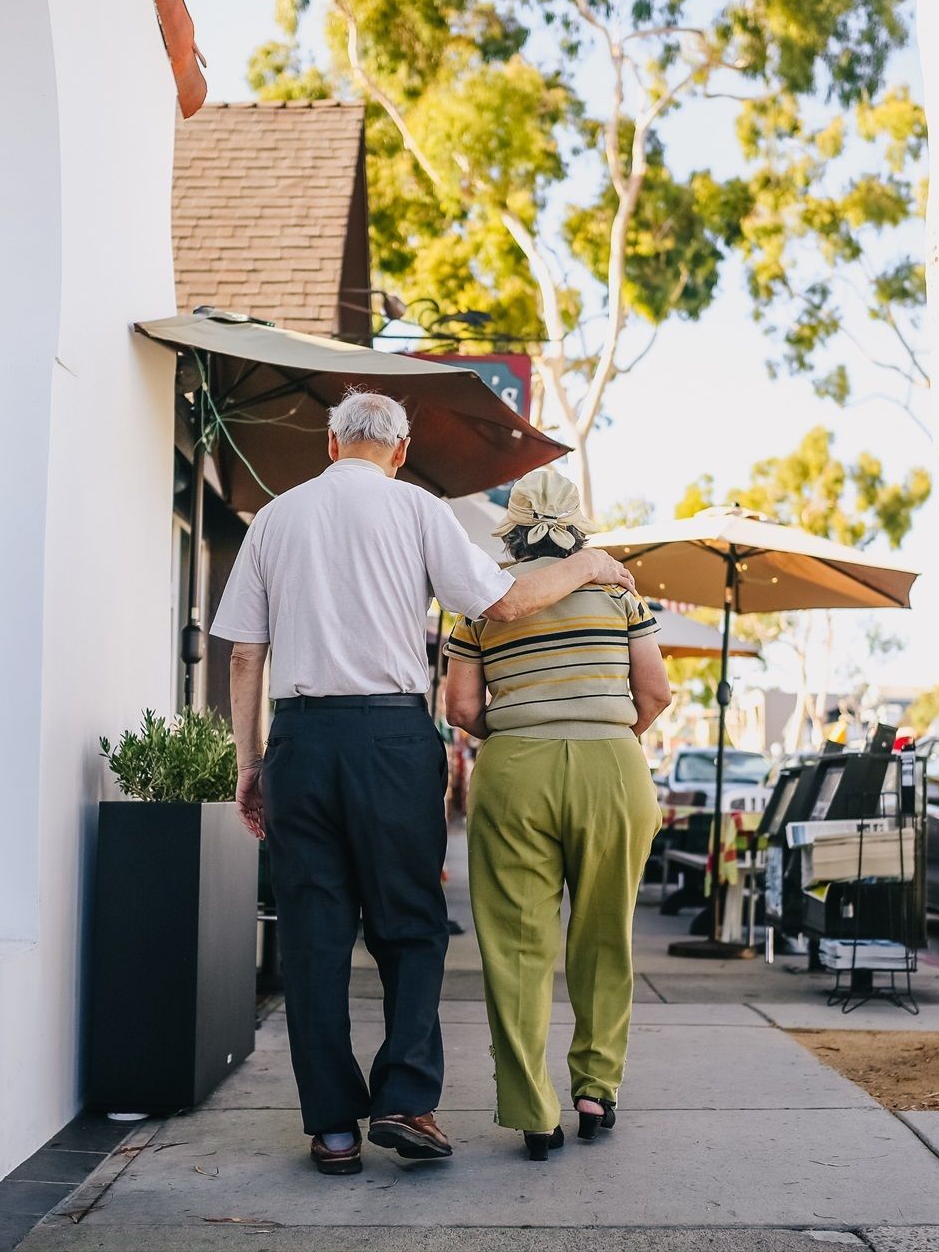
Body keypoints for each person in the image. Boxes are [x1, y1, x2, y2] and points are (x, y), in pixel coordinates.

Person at [211, 390, 638, 1178]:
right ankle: (406, 1102)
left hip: (300, 738)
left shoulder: (275, 518)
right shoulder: (420, 511)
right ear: (399, 451)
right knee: (409, 924)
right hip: (390, 738)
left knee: (313, 937)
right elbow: (504, 604)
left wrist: (251, 763)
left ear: (331, 444)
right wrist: (583, 564)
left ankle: (334, 1130)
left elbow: (243, 654)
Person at [442, 469, 672, 1161]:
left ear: (511, 527)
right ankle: (597, 1088)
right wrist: (602, 733)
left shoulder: (484, 605)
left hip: (515, 770)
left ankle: (533, 1110)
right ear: (578, 526)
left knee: (516, 947)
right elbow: (655, 693)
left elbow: (459, 708)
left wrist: (521, 732)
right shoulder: (617, 595)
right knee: (606, 935)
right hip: (613, 767)